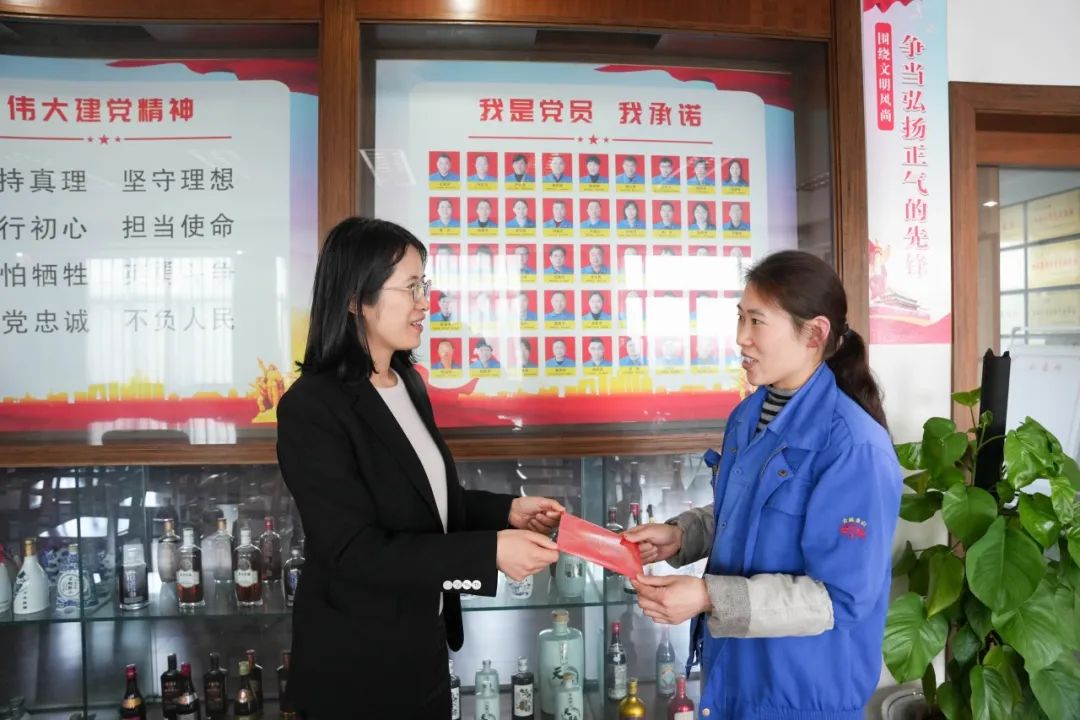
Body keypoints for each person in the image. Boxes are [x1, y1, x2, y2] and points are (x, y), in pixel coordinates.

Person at [276, 217, 564, 718]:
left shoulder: (405, 383)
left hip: (422, 651)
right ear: (355, 299)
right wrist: (489, 552)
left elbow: (424, 503)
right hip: (356, 670)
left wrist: (507, 512)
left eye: (424, 284)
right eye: (410, 287)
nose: (425, 302)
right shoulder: (312, 407)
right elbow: (354, 550)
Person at [622, 250, 902, 720]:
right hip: (735, 677)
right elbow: (751, 511)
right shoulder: (748, 416)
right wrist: (682, 535)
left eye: (757, 321)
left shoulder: (855, 448)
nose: (740, 337)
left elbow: (840, 597)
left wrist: (708, 596)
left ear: (815, 334)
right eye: (740, 317)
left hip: (802, 695)